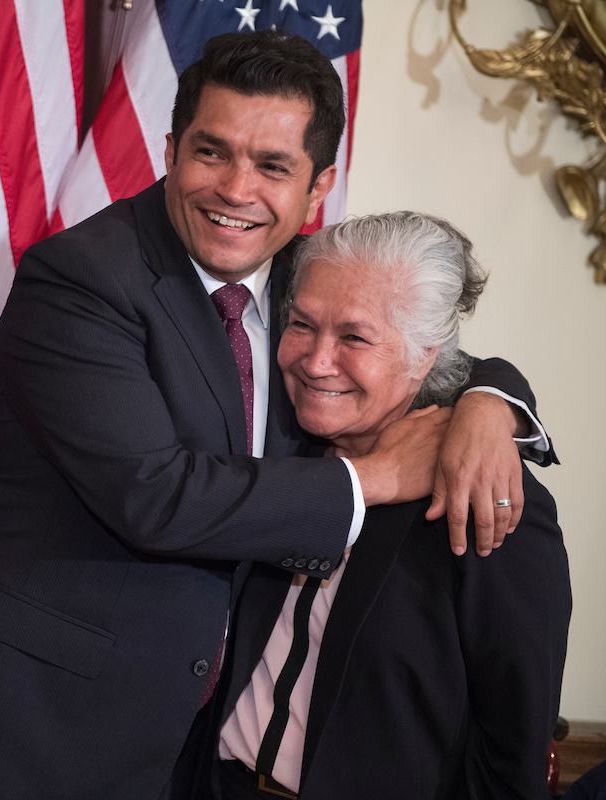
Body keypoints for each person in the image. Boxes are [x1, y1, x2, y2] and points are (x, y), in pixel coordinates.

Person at [0, 31, 551, 800]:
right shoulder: (80, 281)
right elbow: (156, 497)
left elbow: (415, 350)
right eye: (211, 151)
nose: (236, 189)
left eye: (272, 166)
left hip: (185, 759)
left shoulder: (308, 282)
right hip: (17, 744)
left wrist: (491, 402)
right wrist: (372, 480)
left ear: (318, 185)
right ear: (169, 149)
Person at [206, 212, 572, 800]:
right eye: (301, 324)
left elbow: (513, 741)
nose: (316, 361)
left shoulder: (486, 496)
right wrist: (493, 398)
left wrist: (487, 404)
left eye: (354, 337)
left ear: (424, 355)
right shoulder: (276, 440)